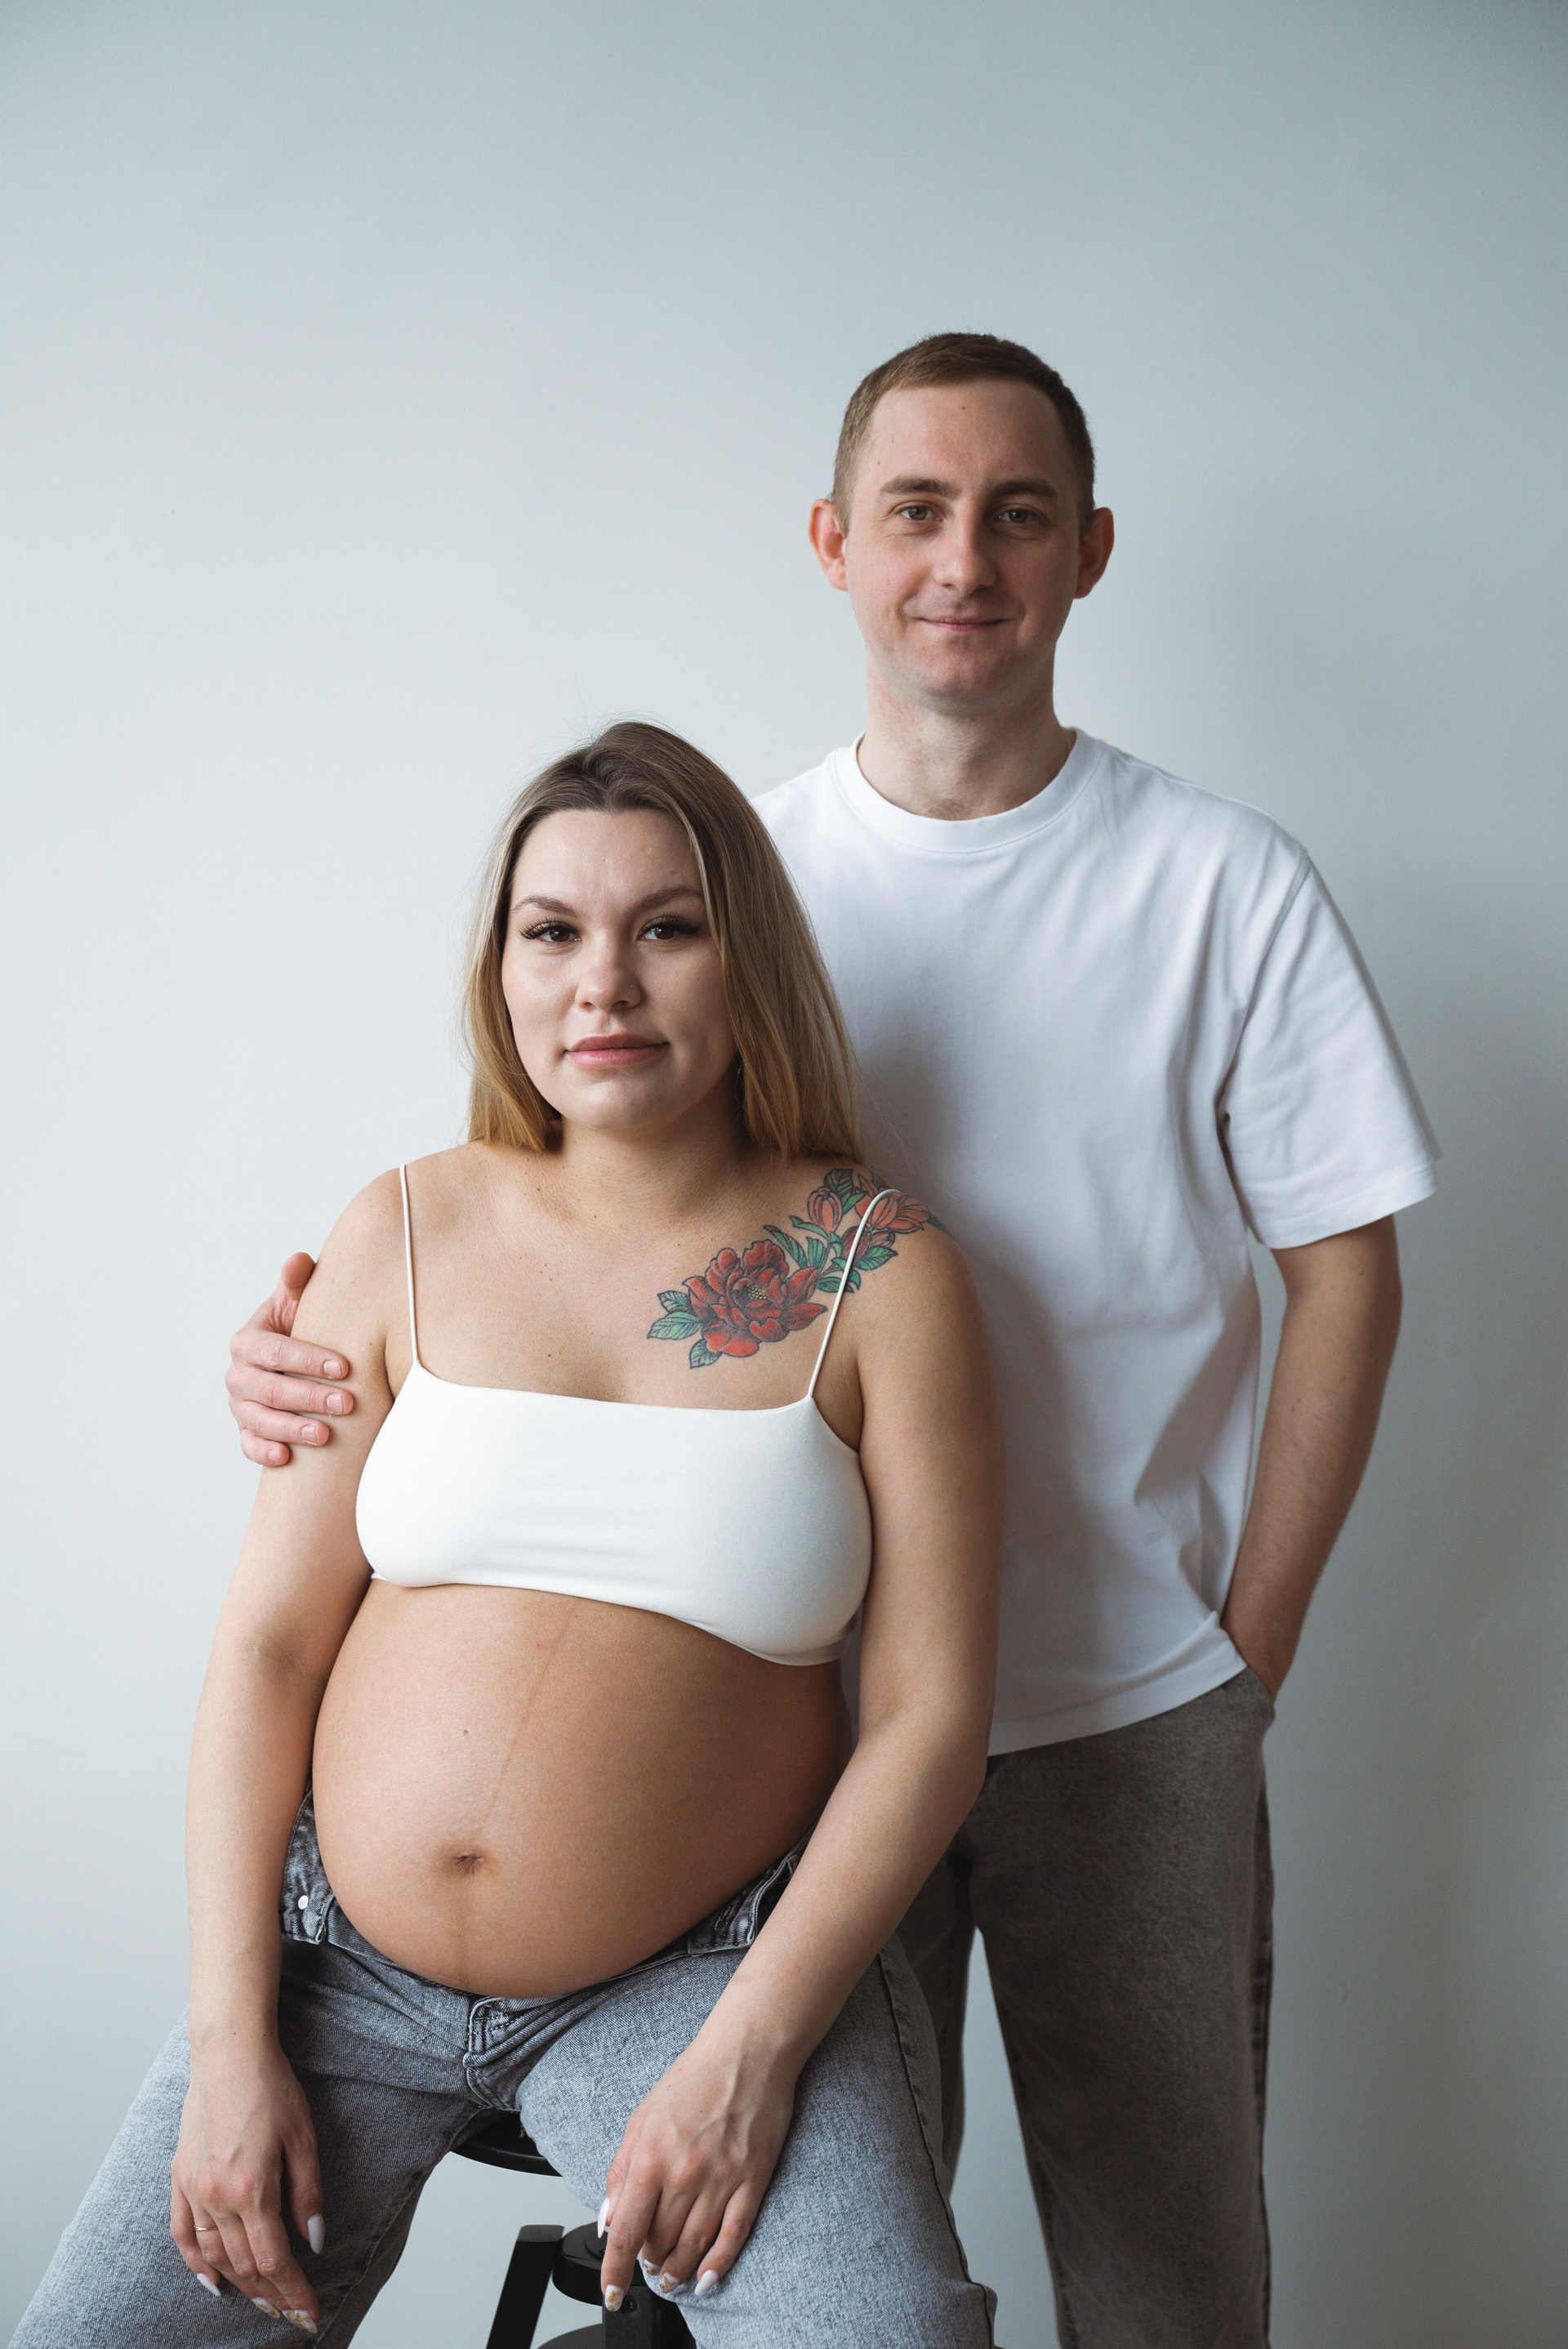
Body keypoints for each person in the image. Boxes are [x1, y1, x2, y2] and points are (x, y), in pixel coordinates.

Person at [225, 335, 1438, 2349]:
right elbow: (579, 1243)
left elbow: (1348, 1273)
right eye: (916, 511)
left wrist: (1251, 1648)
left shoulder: (1222, 882)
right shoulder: (731, 881)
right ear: (833, 543)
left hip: (1130, 1700)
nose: (964, 563)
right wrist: (301, 1359)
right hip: (800, 1729)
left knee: (1170, 2279)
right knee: (782, 2270)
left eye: (1019, 516)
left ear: (1089, 552)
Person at [16, 724, 1004, 2349]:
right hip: (335, 1973)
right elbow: (268, 1647)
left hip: (695, 1978)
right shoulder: (404, 1225)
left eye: (666, 927)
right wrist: (232, 2041)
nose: (603, 983)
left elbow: (929, 1717)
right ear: (502, 969)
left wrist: (750, 2058)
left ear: (746, 959)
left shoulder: (875, 1268)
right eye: (553, 931)